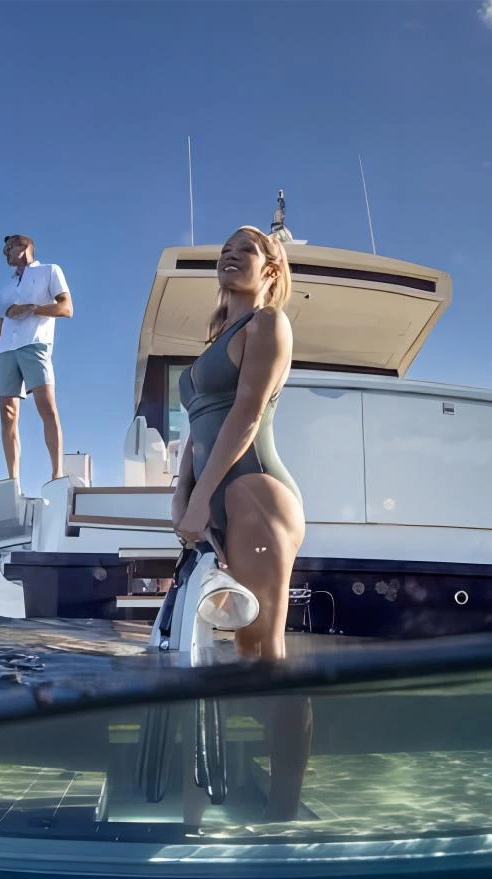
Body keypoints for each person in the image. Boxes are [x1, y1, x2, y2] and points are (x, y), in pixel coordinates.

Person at [170, 224, 309, 821]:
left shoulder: (268, 325)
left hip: (254, 490)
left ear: (271, 269)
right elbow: (195, 433)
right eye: (225, 250)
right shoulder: (216, 337)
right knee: (210, 647)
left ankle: (283, 808)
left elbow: (246, 418)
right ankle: (211, 794)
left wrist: (204, 498)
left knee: (262, 652)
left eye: (246, 250)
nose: (230, 255)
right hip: (211, 492)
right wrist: (182, 495)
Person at [0, 234, 72, 482]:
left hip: (35, 344)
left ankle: (57, 473)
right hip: (5, 352)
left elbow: (66, 308)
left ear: (24, 247)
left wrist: (32, 308)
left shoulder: (49, 271)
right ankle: (13, 480)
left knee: (46, 407)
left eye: (8, 249)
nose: (5, 254)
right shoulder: (6, 289)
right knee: (7, 414)